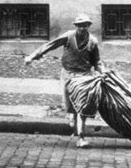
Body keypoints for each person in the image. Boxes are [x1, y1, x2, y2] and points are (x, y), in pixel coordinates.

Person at [25, 14, 104, 148]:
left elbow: (96, 61)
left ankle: (81, 137)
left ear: (88, 26)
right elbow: (51, 45)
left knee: (82, 107)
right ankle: (72, 119)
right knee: (70, 106)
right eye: (79, 26)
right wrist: (33, 56)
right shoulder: (68, 36)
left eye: (85, 25)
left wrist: (102, 71)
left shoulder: (93, 42)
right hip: (68, 74)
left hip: (84, 76)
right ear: (76, 26)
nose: (82, 28)